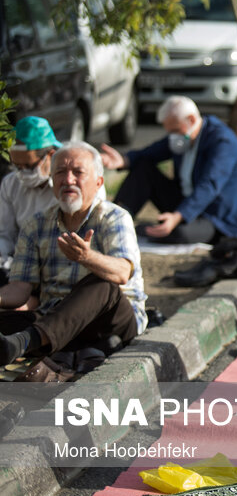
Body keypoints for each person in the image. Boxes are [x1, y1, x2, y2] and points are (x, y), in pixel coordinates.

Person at [0, 142, 147, 370]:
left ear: (98, 182)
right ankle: (45, 362)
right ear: (52, 181)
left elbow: (121, 273)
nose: (68, 180)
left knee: (103, 284)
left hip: (111, 319)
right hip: (55, 318)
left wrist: (87, 257)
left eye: (78, 172)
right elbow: (20, 289)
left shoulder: (115, 218)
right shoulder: (35, 225)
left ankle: (24, 343)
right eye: (60, 172)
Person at [100, 95, 237, 243]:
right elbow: (150, 153)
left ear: (191, 120)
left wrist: (178, 216)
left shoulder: (222, 141)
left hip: (219, 216)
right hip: (186, 200)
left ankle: (145, 230)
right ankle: (113, 222)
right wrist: (124, 160)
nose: (173, 136)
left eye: (175, 130)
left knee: (178, 234)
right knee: (143, 168)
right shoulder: (182, 138)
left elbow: (210, 185)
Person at [0, 117, 61, 282]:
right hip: (21, 264)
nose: (23, 173)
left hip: (59, 265)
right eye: (17, 167)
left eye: (29, 166)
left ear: (51, 155)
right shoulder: (11, 184)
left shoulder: (68, 185)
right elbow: (5, 234)